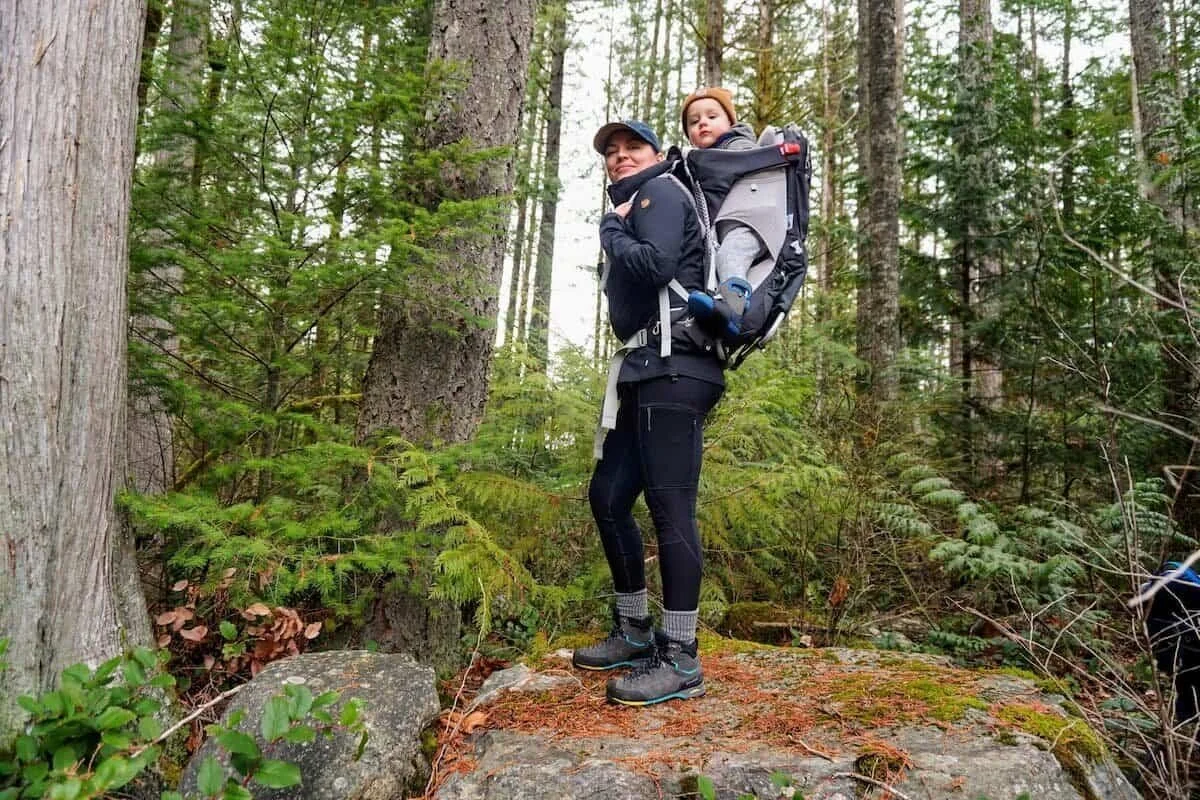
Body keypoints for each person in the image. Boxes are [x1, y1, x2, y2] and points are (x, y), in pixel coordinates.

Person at [571, 119, 725, 706]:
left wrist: (612, 225)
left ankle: (681, 656)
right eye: (611, 152)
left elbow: (655, 266)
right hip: (644, 368)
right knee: (609, 496)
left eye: (632, 147)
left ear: (658, 154)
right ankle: (635, 629)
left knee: (669, 504)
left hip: (678, 368)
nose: (619, 157)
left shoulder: (659, 193)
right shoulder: (641, 202)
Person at [679, 87, 767, 338]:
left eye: (712, 116)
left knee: (731, 253)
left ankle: (733, 314)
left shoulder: (738, 146)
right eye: (694, 122)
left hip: (752, 224)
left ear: (730, 122)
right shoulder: (701, 160)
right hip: (726, 227)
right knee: (717, 259)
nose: (703, 123)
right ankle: (718, 305)